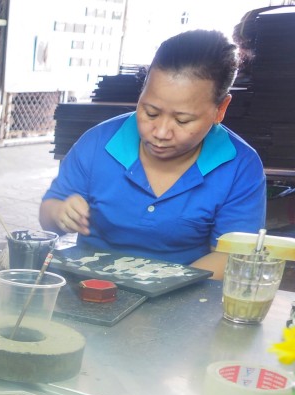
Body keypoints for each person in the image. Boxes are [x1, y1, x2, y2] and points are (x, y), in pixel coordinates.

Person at [39, 29, 265, 279]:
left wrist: (161, 287)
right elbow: (48, 213)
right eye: (151, 112)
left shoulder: (240, 167)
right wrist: (59, 213)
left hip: (183, 298)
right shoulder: (98, 144)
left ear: (220, 110)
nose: (160, 132)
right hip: (90, 287)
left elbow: (230, 255)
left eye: (182, 120)